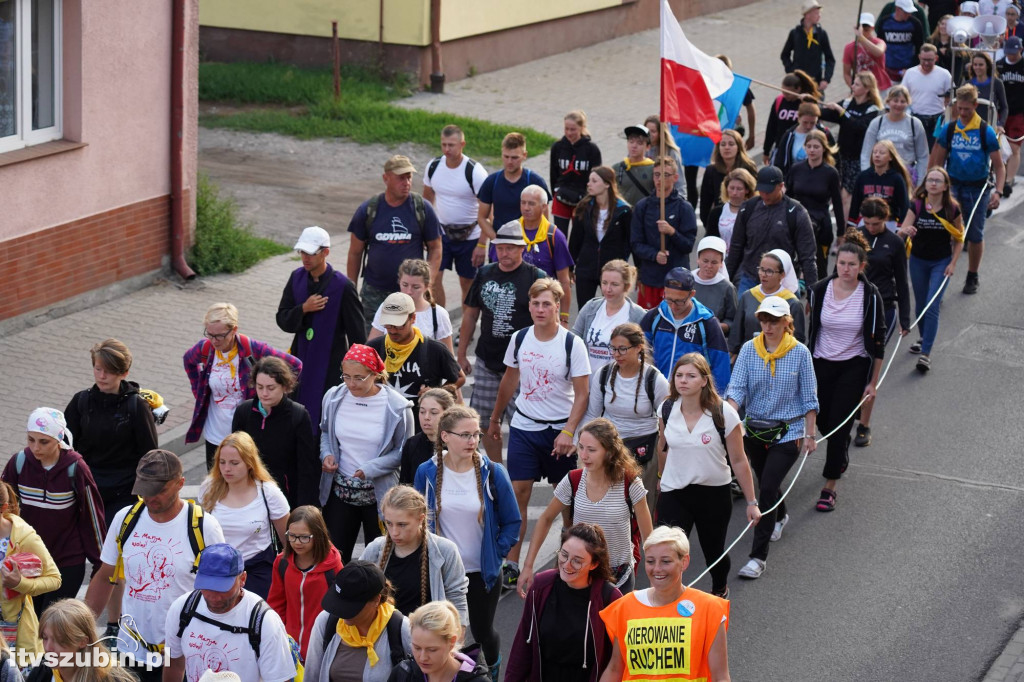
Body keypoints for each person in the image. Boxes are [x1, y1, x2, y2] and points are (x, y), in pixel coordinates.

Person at [84, 450, 226, 680]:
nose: (150, 498)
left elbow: (220, 591)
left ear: (180, 483)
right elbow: (104, 577)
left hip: (183, 655)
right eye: (144, 491)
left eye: (159, 491)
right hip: (130, 651)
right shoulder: (124, 519)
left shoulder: (205, 528)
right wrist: (80, 631)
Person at [486, 279, 590, 590]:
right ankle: (513, 564)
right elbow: (509, 380)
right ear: (529, 306)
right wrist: (494, 419)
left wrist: (568, 431)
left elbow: (583, 394)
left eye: (547, 304)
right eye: (535, 304)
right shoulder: (520, 339)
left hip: (561, 432)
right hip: (525, 427)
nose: (540, 309)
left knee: (567, 499)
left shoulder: (572, 344)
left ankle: (573, 557)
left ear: (558, 306)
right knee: (518, 494)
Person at [414, 406, 521, 681]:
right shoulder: (426, 472)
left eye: (476, 434)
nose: (473, 441)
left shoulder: (493, 472)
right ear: (445, 436)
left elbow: (512, 521)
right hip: (442, 572)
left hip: (481, 572)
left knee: (482, 632)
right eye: (465, 435)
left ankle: (491, 675)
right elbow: (417, 518)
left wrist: (496, 554)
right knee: (443, 633)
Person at [726, 296, 818, 580]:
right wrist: (729, 417)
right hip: (753, 429)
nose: (767, 325)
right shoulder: (748, 350)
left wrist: (810, 434)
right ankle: (780, 514)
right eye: (763, 319)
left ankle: (757, 557)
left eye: (774, 320)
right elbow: (736, 390)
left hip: (788, 431)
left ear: (786, 323)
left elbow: (809, 398)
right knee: (768, 479)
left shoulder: (801, 353)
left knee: (765, 488)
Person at [657, 353, 761, 599]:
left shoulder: (723, 413)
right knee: (668, 551)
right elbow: (663, 446)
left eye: (691, 376)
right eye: (679, 375)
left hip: (713, 493)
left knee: (713, 550)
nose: (683, 381)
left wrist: (752, 502)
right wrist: (662, 477)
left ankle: (719, 588)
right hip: (675, 491)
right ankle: (671, 597)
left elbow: (738, 460)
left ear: (704, 380)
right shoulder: (667, 408)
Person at [520, 417, 652, 594]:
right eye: (581, 447)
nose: (583, 455)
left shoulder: (630, 483)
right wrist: (528, 566)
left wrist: (655, 576)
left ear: (610, 452)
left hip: (618, 576)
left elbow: (649, 536)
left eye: (591, 450)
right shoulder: (573, 480)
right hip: (577, 572)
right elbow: (545, 518)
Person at [806, 233, 887, 512]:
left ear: (862, 266)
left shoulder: (871, 296)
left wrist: (872, 383)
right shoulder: (818, 290)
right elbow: (811, 330)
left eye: (852, 264)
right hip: (821, 364)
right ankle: (839, 449)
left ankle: (830, 485)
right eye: (842, 263)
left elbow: (878, 343)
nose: (846, 269)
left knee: (839, 426)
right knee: (823, 421)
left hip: (854, 365)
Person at [457, 222, 547, 464]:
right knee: (483, 420)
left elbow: (548, 319)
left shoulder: (535, 278)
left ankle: (519, 473)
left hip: (521, 366)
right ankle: (497, 468)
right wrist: (461, 353)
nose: (504, 253)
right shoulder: (485, 274)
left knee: (520, 422)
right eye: (500, 248)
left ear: (521, 249)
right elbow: (470, 314)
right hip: (487, 360)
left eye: (510, 248)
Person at [3, 408, 105, 618]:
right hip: (27, 562)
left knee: (50, 626)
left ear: (59, 440)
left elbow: (92, 517)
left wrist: (100, 562)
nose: (35, 448)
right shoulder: (18, 463)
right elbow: (5, 509)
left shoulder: (76, 468)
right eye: (31, 439)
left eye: (43, 442)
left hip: (66, 562)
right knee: (28, 626)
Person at [318, 345, 413, 563]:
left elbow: (403, 451)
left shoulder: (398, 407)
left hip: (378, 496)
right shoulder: (333, 397)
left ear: (376, 374)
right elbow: (325, 432)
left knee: (380, 561)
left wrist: (371, 468)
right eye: (346, 376)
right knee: (333, 558)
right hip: (340, 493)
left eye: (359, 378)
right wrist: (327, 454)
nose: (351, 384)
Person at [598, 526, 730, 682]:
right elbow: (615, 669)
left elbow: (720, 677)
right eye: (650, 561)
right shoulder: (624, 608)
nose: (657, 569)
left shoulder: (710, 610)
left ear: (684, 562)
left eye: (666, 561)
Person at [184, 302, 302, 470]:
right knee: (218, 489)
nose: (213, 340)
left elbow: (295, 365)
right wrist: (199, 392)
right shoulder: (205, 349)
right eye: (209, 334)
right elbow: (188, 361)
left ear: (234, 330)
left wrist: (274, 397)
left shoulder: (253, 349)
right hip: (215, 436)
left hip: (247, 436)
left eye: (219, 336)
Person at [276, 225, 366, 432]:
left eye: (311, 253)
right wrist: (303, 309)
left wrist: (355, 373)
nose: (305, 258)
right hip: (299, 363)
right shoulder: (296, 278)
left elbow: (358, 336)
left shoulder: (343, 287)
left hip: (330, 368)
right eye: (302, 253)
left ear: (326, 252)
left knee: (324, 421)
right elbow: (282, 319)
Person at [163, 543, 296, 682]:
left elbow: (280, 679)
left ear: (242, 579)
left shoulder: (265, 622)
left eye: (222, 588)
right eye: (207, 587)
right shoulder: (180, 607)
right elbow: (170, 658)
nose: (214, 597)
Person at [507, 524, 622, 682]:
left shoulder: (610, 599)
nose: (567, 565)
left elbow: (617, 663)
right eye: (564, 555)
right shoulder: (541, 586)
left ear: (594, 564)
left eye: (577, 561)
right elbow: (522, 648)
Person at [63, 338, 157, 525]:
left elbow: (149, 454)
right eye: (98, 369)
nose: (102, 376)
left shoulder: (136, 406)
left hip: (123, 493)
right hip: (87, 488)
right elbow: (65, 445)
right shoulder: (81, 401)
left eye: (109, 371)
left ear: (124, 373)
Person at [580, 323, 669, 515]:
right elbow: (593, 414)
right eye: (613, 348)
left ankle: (643, 545)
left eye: (622, 348)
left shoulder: (655, 379)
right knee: (608, 508)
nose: (616, 354)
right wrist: (581, 444)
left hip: (644, 451)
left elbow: (669, 421)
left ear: (638, 348)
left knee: (641, 508)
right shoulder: (603, 374)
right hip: (610, 449)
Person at [347, 155, 443, 331]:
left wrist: (428, 283)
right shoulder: (369, 209)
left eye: (409, 177)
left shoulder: (422, 208)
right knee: (373, 344)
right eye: (401, 177)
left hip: (410, 293)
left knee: (411, 340)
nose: (406, 182)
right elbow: (355, 252)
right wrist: (351, 289)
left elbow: (436, 248)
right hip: (375, 293)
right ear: (386, 178)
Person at [930, 83, 1005, 294]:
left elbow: (999, 166)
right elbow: (938, 161)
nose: (962, 113)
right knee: (946, 232)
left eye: (967, 109)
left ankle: (972, 275)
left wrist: (998, 191)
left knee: (974, 234)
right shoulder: (950, 129)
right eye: (959, 109)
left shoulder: (985, 131)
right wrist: (933, 186)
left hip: (977, 188)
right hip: (952, 186)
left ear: (974, 105)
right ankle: (940, 280)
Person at [360, 486, 468, 626]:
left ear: (420, 519)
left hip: (426, 638)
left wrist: (458, 634)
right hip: (382, 638)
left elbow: (456, 597)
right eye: (389, 523)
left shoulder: (446, 550)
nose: (394, 532)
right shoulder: (374, 550)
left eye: (402, 525)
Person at [200, 432, 289, 599]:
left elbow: (288, 540)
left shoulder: (268, 492)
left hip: (257, 571)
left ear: (249, 463)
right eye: (222, 462)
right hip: (216, 570)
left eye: (234, 463)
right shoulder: (208, 488)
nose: (226, 469)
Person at [853, 200, 911, 447]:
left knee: (868, 367)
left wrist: (906, 318)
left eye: (876, 224)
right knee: (851, 363)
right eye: (867, 223)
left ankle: (864, 425)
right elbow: (840, 271)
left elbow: (901, 279)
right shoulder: (855, 238)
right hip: (855, 306)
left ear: (885, 220)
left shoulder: (895, 243)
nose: (871, 228)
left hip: (884, 309)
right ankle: (851, 406)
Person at [897, 166, 965, 372]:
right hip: (918, 260)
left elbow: (959, 238)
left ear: (945, 186)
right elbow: (901, 232)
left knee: (932, 304)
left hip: (940, 263)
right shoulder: (916, 205)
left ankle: (925, 353)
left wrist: (952, 263)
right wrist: (906, 231)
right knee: (920, 304)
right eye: (930, 180)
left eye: (938, 181)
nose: (933, 183)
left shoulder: (952, 209)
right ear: (925, 184)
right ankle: (923, 337)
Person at [304, 560, 413, 682]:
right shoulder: (326, 620)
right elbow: (311, 675)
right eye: (339, 603)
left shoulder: (402, 628)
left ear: (376, 600)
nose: (341, 611)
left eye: (351, 606)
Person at [232, 356, 319, 508]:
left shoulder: (298, 416)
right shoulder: (243, 412)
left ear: (285, 387)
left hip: (285, 498)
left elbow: (306, 468)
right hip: (250, 496)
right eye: (260, 387)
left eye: (271, 388)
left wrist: (304, 507)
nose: (264, 393)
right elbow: (235, 456)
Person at [367, 293, 461, 428]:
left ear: (413, 318)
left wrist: (436, 392)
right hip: (383, 425)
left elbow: (459, 378)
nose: (392, 331)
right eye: (388, 325)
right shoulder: (373, 348)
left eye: (399, 325)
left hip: (422, 429)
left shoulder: (434, 349)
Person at [421, 125, 489, 307]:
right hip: (441, 234)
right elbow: (426, 201)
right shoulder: (434, 166)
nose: (447, 149)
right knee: (433, 280)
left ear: (462, 144)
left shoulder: (475, 171)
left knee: (468, 283)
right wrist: (423, 233)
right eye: (443, 144)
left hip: (470, 237)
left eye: (451, 145)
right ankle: (441, 324)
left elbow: (488, 210)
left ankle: (464, 331)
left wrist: (482, 244)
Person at [268, 505, 344, 662]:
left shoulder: (333, 567)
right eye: (292, 536)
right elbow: (276, 604)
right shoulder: (281, 563)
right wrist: (280, 637)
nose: (297, 542)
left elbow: (340, 611)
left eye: (304, 537)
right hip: (288, 646)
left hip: (321, 647)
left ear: (318, 535)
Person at [726, 166, 819, 293]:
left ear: (781, 186)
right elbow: (736, 248)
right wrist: (726, 280)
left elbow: (808, 257)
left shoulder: (796, 213)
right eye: (761, 190)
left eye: (768, 191)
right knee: (743, 313)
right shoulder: (747, 208)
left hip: (783, 283)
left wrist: (812, 294)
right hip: (750, 279)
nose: (764, 194)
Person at [640, 268, 731, 393]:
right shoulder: (655, 316)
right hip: (657, 392)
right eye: (669, 299)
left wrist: (717, 401)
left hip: (692, 396)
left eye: (679, 301)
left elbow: (720, 366)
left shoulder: (707, 322)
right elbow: (639, 352)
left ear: (692, 294)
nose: (673, 306)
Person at [0, 481, 61, 656]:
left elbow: (54, 579)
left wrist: (20, 583)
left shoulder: (24, 537)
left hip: (15, 636)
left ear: (3, 508)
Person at [495, 186, 573, 320]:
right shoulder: (508, 232)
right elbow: (495, 270)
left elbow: (564, 282)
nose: (526, 208)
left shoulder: (554, 236)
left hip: (542, 310)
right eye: (523, 202)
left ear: (543, 207)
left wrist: (564, 318)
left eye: (531, 203)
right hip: (512, 307)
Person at [629, 156, 698, 308]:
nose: (660, 179)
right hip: (650, 279)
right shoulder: (642, 207)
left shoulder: (684, 208)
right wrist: (654, 255)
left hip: (676, 281)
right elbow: (636, 244)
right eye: (657, 174)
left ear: (675, 177)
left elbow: (688, 245)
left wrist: (672, 231)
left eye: (665, 175)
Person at [568, 167, 634, 308]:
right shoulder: (584, 207)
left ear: (607, 184)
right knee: (585, 310)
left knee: (613, 308)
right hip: (586, 268)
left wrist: (626, 265)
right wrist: (570, 266)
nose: (588, 184)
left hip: (613, 271)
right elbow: (575, 239)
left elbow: (630, 241)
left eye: (594, 181)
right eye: (589, 181)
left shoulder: (623, 211)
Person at [821, 71, 884, 218]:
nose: (852, 86)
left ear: (867, 88)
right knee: (839, 195)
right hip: (842, 157)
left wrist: (841, 111)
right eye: (853, 83)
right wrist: (811, 103)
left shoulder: (872, 109)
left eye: (856, 84)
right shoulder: (848, 103)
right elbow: (828, 114)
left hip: (858, 159)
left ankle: (845, 231)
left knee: (846, 196)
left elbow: (859, 127)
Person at [786, 130, 846, 277]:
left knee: (819, 267)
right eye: (809, 146)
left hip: (820, 223)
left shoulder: (830, 173)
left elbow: (837, 204)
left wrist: (841, 232)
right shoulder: (796, 169)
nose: (812, 150)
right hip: (797, 220)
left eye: (816, 147)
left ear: (824, 148)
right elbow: (787, 197)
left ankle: (820, 295)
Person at [476, 132, 551, 247]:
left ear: (524, 155)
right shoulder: (492, 181)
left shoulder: (535, 181)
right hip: (499, 244)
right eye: (506, 157)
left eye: (515, 157)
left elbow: (545, 219)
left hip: (527, 244)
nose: (509, 162)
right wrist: (497, 240)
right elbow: (481, 217)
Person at [368, 259, 455, 355]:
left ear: (426, 286)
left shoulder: (439, 314)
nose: (409, 291)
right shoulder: (387, 306)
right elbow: (371, 349)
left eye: (415, 287)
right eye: (405, 285)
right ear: (399, 282)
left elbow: (448, 358)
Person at [36, 599, 136, 682]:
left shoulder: (111, 678)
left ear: (83, 641)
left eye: (59, 640)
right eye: (45, 638)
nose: (48, 648)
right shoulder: (42, 673)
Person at [572, 260, 647, 371]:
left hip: (619, 385)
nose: (608, 289)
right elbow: (574, 339)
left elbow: (644, 354)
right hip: (589, 383)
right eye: (604, 283)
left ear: (626, 287)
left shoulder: (638, 315)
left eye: (614, 284)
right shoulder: (591, 307)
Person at [387, 601, 490, 682]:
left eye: (432, 650)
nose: (422, 657)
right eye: (417, 647)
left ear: (452, 642)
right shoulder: (403, 673)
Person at [730, 250, 808, 355]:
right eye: (761, 269)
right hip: (749, 358)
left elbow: (798, 340)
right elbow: (736, 335)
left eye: (770, 271)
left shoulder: (792, 303)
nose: (763, 275)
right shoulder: (748, 296)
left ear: (782, 274)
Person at [860, 86, 930, 185]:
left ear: (908, 103)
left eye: (902, 101)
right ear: (888, 102)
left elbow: (923, 156)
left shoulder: (915, 124)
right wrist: (867, 177)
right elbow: (866, 154)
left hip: (906, 176)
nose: (898, 104)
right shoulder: (877, 123)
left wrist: (920, 182)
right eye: (895, 101)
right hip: (881, 174)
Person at [550, 111, 603, 235]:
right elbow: (553, 173)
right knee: (559, 236)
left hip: (583, 199)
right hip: (561, 197)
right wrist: (555, 192)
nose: (569, 133)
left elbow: (596, 177)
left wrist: (591, 198)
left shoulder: (592, 149)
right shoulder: (557, 147)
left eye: (573, 129)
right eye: (566, 129)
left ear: (582, 128)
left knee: (579, 237)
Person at [698, 129, 758, 227]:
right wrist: (708, 224)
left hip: (745, 219)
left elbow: (756, 195)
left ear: (738, 147)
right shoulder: (711, 170)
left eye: (731, 144)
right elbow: (705, 202)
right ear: (718, 148)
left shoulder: (749, 167)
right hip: (720, 221)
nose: (727, 148)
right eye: (723, 144)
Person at [849, 139, 912, 227]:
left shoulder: (897, 178)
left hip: (889, 223)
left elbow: (904, 206)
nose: (877, 155)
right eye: (875, 152)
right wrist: (850, 226)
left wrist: (900, 228)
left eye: (882, 153)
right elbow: (855, 204)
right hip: (866, 222)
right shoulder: (863, 176)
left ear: (890, 157)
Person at [762, 70, 820, 165]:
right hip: (781, 147)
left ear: (798, 90)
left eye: (788, 93)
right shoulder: (779, 101)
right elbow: (771, 126)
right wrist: (766, 151)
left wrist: (811, 101)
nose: (785, 95)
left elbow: (817, 119)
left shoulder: (806, 103)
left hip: (800, 148)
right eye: (783, 91)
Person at [399, 388, 455, 485]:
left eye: (434, 413)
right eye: (422, 412)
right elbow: (405, 484)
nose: (426, 417)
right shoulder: (412, 444)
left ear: (447, 414)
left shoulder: (458, 442)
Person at [902, 44, 953, 144]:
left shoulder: (944, 74)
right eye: (923, 59)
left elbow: (951, 97)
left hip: (938, 119)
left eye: (930, 60)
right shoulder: (910, 73)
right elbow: (903, 95)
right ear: (919, 57)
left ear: (936, 58)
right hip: (916, 118)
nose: (926, 63)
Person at [780, 0, 836, 92]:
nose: (819, 15)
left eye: (819, 13)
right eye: (816, 13)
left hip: (815, 82)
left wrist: (826, 79)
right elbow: (784, 55)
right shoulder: (795, 33)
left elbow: (830, 58)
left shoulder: (821, 34)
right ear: (807, 15)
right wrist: (790, 71)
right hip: (797, 83)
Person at [773, 102, 838, 177]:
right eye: (805, 122)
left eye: (812, 123)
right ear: (799, 118)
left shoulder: (824, 133)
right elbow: (780, 161)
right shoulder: (789, 135)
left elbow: (835, 158)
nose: (808, 126)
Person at [693, 237, 738, 337]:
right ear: (698, 260)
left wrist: (717, 325)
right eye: (705, 261)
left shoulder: (727, 288)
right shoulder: (688, 281)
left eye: (714, 262)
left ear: (721, 263)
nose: (709, 266)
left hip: (713, 338)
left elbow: (733, 320)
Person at [705, 168, 756, 255]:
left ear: (747, 190)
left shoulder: (753, 211)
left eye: (739, 189)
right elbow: (710, 240)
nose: (734, 192)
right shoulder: (717, 212)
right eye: (732, 188)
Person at [997, 36, 1024, 196]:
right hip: (1002, 111)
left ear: (1020, 50)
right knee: (1000, 146)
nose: (1011, 56)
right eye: (1008, 52)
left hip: (1019, 112)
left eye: (1014, 52)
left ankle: (1009, 180)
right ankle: (1002, 176)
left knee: (1014, 146)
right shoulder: (1000, 65)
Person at [842, 13, 892, 92]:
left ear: (872, 28)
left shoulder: (879, 42)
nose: (864, 32)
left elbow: (878, 52)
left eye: (866, 29)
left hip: (880, 87)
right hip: (861, 89)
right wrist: (853, 87)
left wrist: (861, 38)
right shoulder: (849, 48)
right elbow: (846, 73)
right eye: (862, 29)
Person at [879, 0, 925, 83]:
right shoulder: (885, 22)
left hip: (907, 70)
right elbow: (880, 44)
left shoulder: (915, 24)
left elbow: (919, 48)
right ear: (897, 9)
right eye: (906, 12)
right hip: (887, 70)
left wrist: (911, 68)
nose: (909, 14)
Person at [612, 125, 656, 207]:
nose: (634, 146)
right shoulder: (617, 168)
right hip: (624, 215)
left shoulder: (653, 169)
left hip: (645, 214)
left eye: (639, 143)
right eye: (631, 142)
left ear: (648, 147)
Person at [642, 116, 685, 197]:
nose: (649, 135)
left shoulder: (671, 152)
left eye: (653, 131)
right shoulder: (640, 148)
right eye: (647, 131)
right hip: (645, 199)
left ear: (661, 133)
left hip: (665, 198)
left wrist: (681, 200)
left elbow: (680, 182)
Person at [966, 52, 1008, 128]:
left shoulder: (997, 83)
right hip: (970, 126)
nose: (977, 67)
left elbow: (1004, 107)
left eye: (981, 65)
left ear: (987, 66)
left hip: (990, 127)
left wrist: (1001, 124)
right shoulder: (967, 84)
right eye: (975, 65)